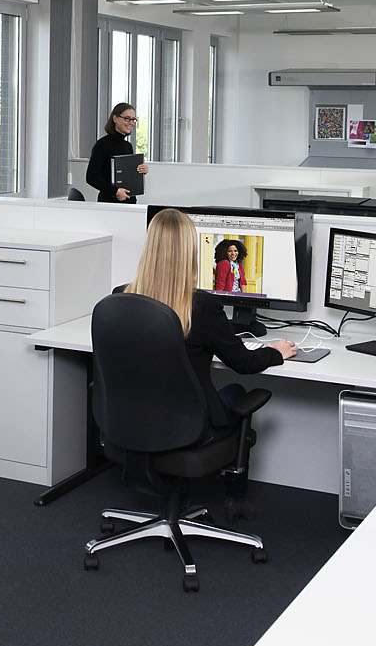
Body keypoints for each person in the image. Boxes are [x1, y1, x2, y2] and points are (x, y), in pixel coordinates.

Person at [124, 209, 296, 517]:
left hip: (132, 422)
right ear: (190, 253)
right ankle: (236, 498)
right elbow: (243, 362)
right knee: (236, 393)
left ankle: (178, 491)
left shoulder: (123, 299)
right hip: (188, 427)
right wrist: (276, 352)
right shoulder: (201, 307)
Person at [87, 102, 150, 203]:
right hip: (109, 203)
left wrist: (141, 170)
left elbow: (127, 174)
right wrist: (115, 191)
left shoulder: (128, 146)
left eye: (133, 119)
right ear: (115, 118)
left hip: (129, 201)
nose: (131, 123)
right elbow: (91, 177)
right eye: (127, 118)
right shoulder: (102, 144)